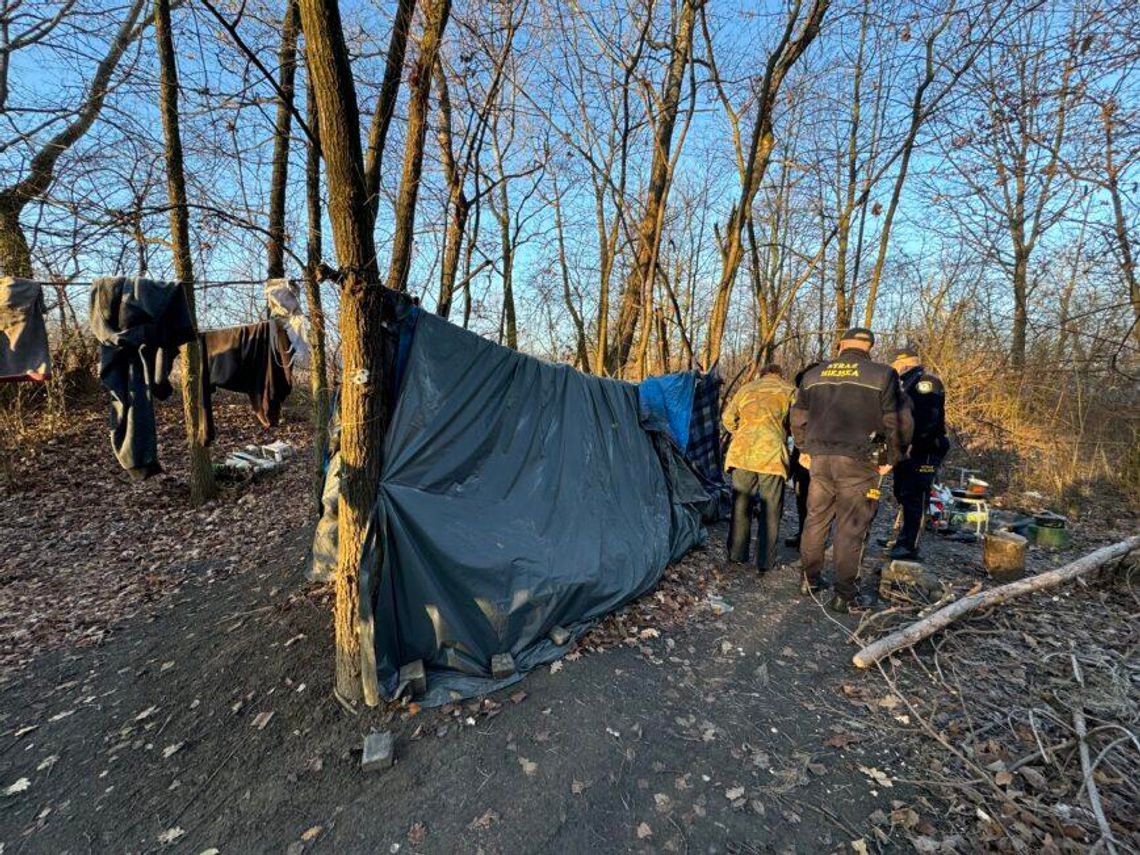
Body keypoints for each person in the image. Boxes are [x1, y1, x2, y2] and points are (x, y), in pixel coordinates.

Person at [790, 327, 912, 613]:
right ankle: (845, 594)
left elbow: (797, 418)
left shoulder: (814, 374)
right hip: (860, 460)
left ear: (841, 345)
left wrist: (805, 449)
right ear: (869, 347)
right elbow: (900, 422)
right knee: (851, 526)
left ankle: (809, 579)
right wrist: (892, 457)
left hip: (820, 458)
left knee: (816, 518)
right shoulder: (883, 375)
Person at [722, 363, 796, 575]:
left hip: (742, 453)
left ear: (761, 374)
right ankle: (764, 560)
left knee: (741, 503)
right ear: (780, 375)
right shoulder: (790, 391)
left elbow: (727, 419)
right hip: (770, 455)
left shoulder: (746, 389)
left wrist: (743, 432)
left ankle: (736, 554)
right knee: (771, 507)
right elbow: (797, 423)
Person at [886, 345, 949, 560]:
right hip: (906, 449)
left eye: (894, 365)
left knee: (915, 496)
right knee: (902, 492)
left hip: (924, 450)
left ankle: (909, 545)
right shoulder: (904, 383)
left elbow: (927, 419)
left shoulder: (926, 383)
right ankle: (902, 536)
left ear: (902, 363)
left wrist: (914, 444)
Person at [785, 362, 819, 549]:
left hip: (817, 453)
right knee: (803, 496)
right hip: (804, 453)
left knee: (815, 498)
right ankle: (804, 535)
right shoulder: (804, 398)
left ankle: (812, 538)